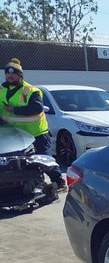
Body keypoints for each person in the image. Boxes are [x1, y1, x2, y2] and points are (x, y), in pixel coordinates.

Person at [0, 58, 65, 190]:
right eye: (7, 73)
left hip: (36, 133)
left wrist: (15, 109)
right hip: (16, 136)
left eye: (13, 73)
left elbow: (36, 108)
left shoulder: (30, 90)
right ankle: (28, 183)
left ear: (20, 75)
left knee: (44, 159)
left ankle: (59, 182)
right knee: (19, 162)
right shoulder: (2, 91)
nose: (9, 76)